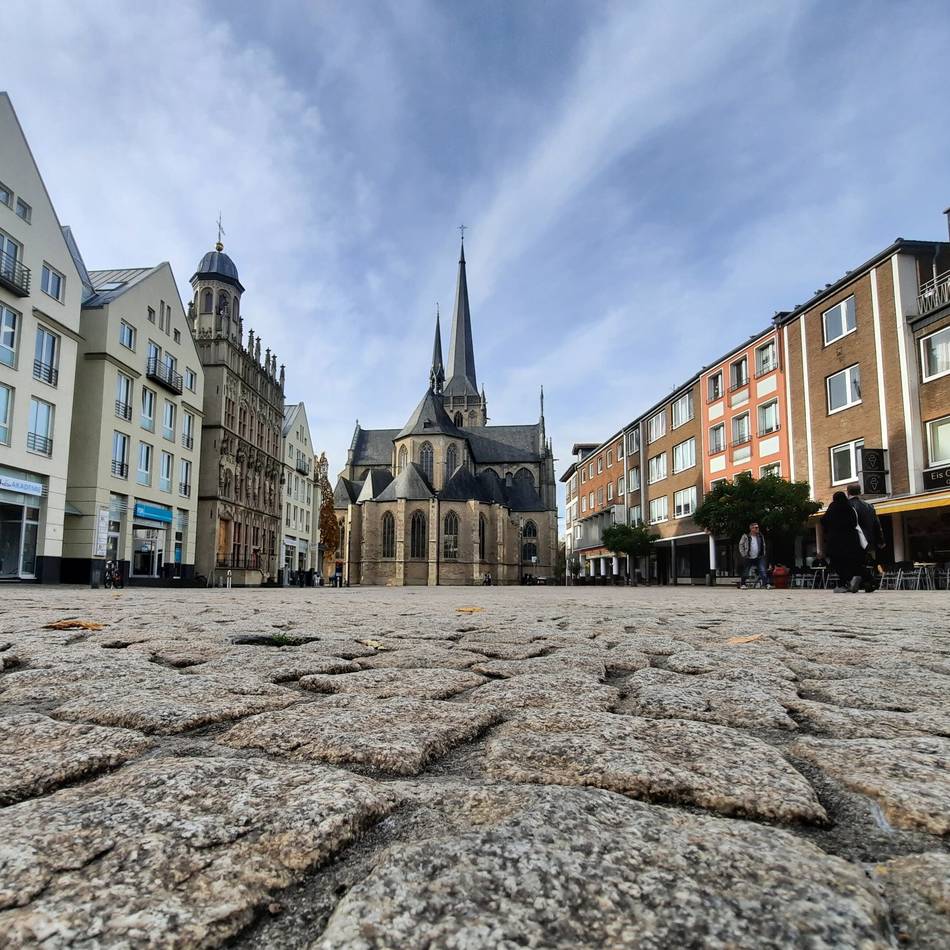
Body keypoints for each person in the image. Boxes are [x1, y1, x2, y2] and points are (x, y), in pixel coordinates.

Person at [821, 491, 865, 592]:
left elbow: (824, 520)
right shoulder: (850, 507)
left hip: (836, 540)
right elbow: (855, 522)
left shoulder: (833, 507)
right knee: (850, 562)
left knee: (837, 563)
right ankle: (853, 579)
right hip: (851, 539)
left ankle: (845, 582)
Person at [848, 484, 884, 592]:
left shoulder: (847, 505)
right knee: (864, 562)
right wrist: (880, 540)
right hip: (869, 541)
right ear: (860, 492)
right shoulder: (869, 506)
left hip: (854, 540)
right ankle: (867, 582)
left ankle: (868, 581)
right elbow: (877, 524)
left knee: (853, 562)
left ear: (848, 492)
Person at [738, 523, 771, 589]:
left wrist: (763, 553)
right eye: (756, 527)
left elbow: (763, 545)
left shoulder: (760, 536)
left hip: (759, 557)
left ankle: (766, 584)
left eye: (758, 527)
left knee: (762, 570)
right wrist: (743, 554)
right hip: (748, 557)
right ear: (751, 529)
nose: (757, 529)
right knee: (746, 571)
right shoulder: (746, 536)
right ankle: (743, 584)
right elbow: (741, 545)